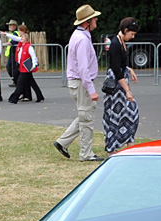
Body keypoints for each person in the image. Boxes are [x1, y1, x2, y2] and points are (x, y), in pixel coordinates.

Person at [54, 4, 103, 162]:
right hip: (81, 83)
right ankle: (86, 154)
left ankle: (63, 142)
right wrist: (91, 89)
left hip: (79, 82)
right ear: (87, 22)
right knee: (87, 118)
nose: (96, 20)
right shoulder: (82, 39)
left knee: (85, 114)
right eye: (94, 18)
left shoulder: (80, 36)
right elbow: (83, 68)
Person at [103, 17, 139, 153]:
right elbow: (116, 69)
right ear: (125, 30)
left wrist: (129, 69)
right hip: (117, 86)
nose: (133, 37)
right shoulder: (116, 44)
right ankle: (112, 148)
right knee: (115, 116)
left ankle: (128, 142)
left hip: (121, 82)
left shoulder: (121, 42)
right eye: (132, 34)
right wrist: (128, 90)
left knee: (128, 115)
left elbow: (119, 64)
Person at [7, 26, 44, 104]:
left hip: (26, 68)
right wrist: (6, 34)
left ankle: (14, 99)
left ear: (26, 39)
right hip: (22, 67)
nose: (21, 39)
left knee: (20, 83)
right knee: (32, 83)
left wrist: (33, 66)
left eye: (23, 38)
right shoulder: (21, 46)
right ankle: (40, 96)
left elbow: (34, 57)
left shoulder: (29, 47)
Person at [4, 19, 20, 87]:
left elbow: (13, 42)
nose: (9, 26)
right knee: (11, 67)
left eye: (10, 25)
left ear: (14, 26)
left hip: (14, 53)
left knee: (11, 68)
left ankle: (16, 81)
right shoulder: (13, 33)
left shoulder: (15, 33)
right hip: (12, 53)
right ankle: (16, 80)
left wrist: (5, 44)